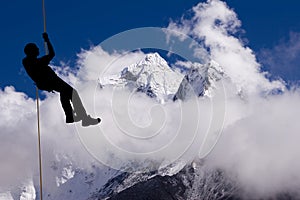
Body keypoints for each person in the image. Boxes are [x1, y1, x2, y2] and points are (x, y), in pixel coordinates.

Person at [23, 33, 101, 127]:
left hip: (50, 80)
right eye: (36, 48)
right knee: (71, 92)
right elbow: (49, 56)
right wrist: (46, 40)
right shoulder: (28, 61)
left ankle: (72, 117)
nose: (38, 49)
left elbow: (51, 54)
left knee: (66, 93)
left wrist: (47, 41)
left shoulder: (34, 61)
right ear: (31, 51)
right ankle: (78, 118)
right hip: (49, 81)